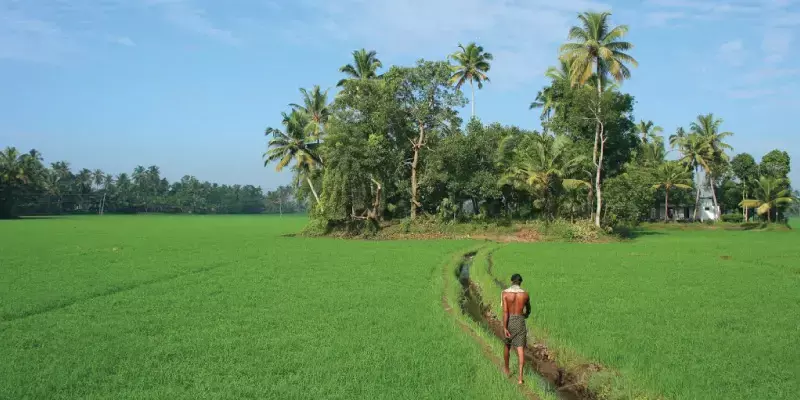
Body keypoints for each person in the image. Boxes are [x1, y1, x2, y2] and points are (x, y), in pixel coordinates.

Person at [502, 273, 531, 384]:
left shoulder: (505, 294)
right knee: (520, 349)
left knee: (507, 345)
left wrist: (505, 327)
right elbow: (528, 309)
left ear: (511, 281)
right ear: (520, 282)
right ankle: (520, 378)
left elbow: (505, 312)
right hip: (520, 321)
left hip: (509, 320)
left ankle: (507, 369)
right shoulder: (525, 295)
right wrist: (526, 314)